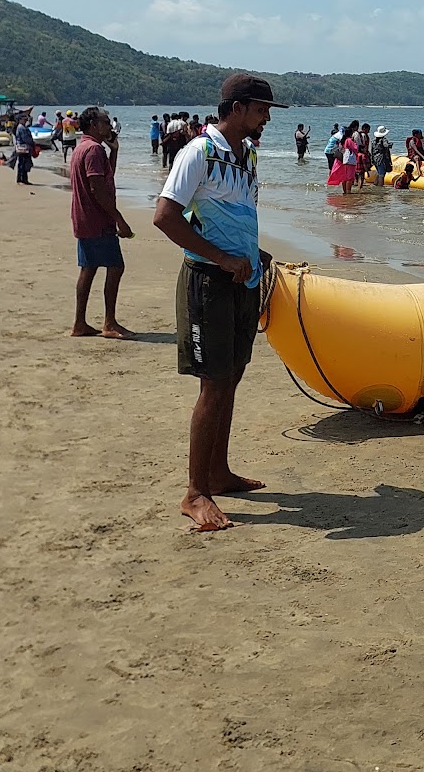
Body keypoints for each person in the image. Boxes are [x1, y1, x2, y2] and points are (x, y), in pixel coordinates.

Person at [153, 72, 287, 532]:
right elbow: (166, 217)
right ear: (237, 108)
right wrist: (222, 258)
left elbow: (235, 216)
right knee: (212, 385)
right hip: (208, 283)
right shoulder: (199, 152)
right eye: (262, 109)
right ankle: (195, 492)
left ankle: (220, 473)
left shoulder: (246, 156)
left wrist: (251, 254)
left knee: (231, 377)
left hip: (241, 282)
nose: (267, 118)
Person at [70, 107, 134, 337]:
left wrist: (114, 151)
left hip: (84, 219)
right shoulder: (94, 149)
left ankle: (80, 323)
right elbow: (99, 190)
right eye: (105, 122)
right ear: (94, 125)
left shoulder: (84, 147)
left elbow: (105, 178)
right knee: (116, 267)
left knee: (88, 269)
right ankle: (110, 323)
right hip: (97, 220)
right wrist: (120, 220)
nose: (109, 126)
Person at [327, 121, 361, 193]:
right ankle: (348, 192)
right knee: (350, 177)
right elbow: (355, 148)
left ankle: (345, 191)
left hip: (344, 160)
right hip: (350, 161)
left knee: (344, 177)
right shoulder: (349, 140)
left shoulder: (343, 140)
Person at [13, 117, 36, 185]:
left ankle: (22, 179)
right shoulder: (21, 128)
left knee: (22, 163)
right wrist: (32, 143)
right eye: (24, 119)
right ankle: (21, 179)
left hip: (22, 148)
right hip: (23, 148)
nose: (25, 121)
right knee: (23, 164)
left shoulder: (22, 127)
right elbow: (26, 138)